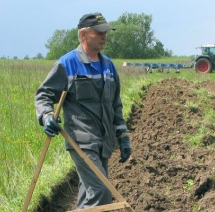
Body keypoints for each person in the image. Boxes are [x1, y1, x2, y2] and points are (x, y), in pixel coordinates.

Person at [34, 12, 131, 209]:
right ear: (83, 34)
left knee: (89, 192)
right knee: (101, 191)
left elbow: (116, 105)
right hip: (81, 141)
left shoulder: (109, 67)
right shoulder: (67, 64)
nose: (105, 36)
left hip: (105, 141)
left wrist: (123, 136)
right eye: (99, 32)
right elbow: (43, 95)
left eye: (106, 32)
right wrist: (46, 116)